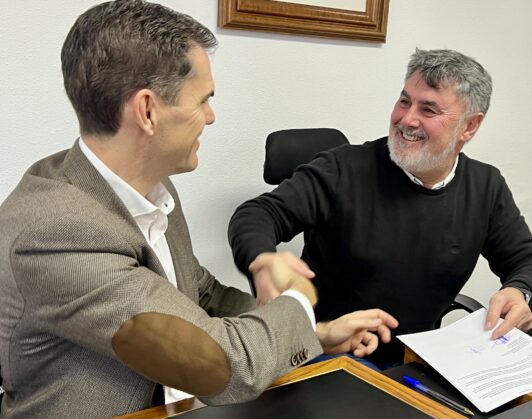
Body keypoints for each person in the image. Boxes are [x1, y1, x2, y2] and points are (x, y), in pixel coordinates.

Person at [0, 1, 398, 417]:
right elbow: (222, 365)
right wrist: (298, 298)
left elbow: (200, 293)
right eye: (202, 100)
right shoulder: (55, 232)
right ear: (148, 111)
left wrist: (314, 333)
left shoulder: (151, 187)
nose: (210, 116)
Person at [228, 48, 532, 369]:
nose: (406, 119)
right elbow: (258, 214)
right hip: (329, 357)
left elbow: (531, 261)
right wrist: (262, 259)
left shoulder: (485, 185)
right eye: (404, 101)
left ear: (469, 126)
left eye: (428, 110)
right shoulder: (343, 168)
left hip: (418, 361)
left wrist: (521, 292)